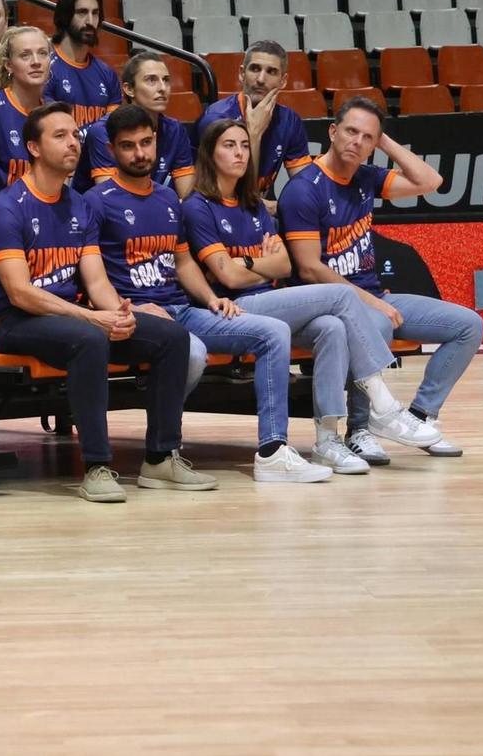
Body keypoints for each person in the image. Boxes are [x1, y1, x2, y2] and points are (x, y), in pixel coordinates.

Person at [87, 105, 332, 483]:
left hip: (183, 310)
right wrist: (133, 307)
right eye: (128, 146)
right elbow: (90, 274)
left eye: (146, 143)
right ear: (112, 150)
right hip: (133, 315)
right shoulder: (97, 201)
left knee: (272, 332)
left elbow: (183, 262)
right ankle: (161, 453)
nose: (140, 153)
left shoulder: (169, 199)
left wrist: (209, 298)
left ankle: (272, 451)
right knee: (193, 353)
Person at [0, 102, 210, 503]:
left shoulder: (80, 205)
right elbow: (19, 292)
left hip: (71, 315)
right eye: (60, 136)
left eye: (75, 135)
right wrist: (93, 319)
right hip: (16, 321)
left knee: (172, 337)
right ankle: (96, 466)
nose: (73, 143)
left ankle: (160, 457)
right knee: (90, 340)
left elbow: (96, 279)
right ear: (33, 148)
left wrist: (121, 311)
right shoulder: (7, 207)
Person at [185, 118, 440, 476]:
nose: (240, 153)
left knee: (332, 327)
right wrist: (260, 262)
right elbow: (227, 276)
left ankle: (327, 441)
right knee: (340, 295)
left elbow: (283, 263)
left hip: (267, 301)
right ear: (210, 154)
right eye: (229, 145)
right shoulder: (198, 206)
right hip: (232, 309)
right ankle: (382, 403)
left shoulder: (254, 204)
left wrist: (250, 263)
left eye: (244, 145)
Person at [277, 96, 483, 462]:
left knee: (468, 325)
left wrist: (384, 141)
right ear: (332, 131)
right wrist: (372, 302)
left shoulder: (365, 177)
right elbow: (309, 268)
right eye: (351, 131)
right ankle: (359, 430)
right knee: (377, 324)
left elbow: (430, 181)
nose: (357, 141)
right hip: (326, 307)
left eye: (367, 137)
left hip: (375, 295)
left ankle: (419, 416)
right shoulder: (303, 188)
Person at [196, 39, 311, 192]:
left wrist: (282, 205)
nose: (261, 80)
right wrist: (254, 133)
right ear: (242, 74)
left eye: (271, 72)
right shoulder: (216, 118)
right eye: (255, 69)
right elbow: (234, 194)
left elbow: (306, 188)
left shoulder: (290, 121)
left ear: (283, 81)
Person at [80, 52, 196, 198]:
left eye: (166, 80)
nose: (162, 88)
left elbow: (186, 195)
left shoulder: (175, 130)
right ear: (129, 89)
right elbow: (111, 199)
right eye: (151, 80)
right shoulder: (103, 131)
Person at [0, 24, 52, 213]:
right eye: (25, 55)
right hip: (3, 219)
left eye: (43, 53)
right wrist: (16, 222)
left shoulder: (55, 112)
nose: (36, 61)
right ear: (8, 65)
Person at [47, 0, 122, 128]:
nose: (90, 21)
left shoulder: (108, 74)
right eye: (82, 12)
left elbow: (111, 131)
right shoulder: (45, 68)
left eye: (95, 13)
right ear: (66, 16)